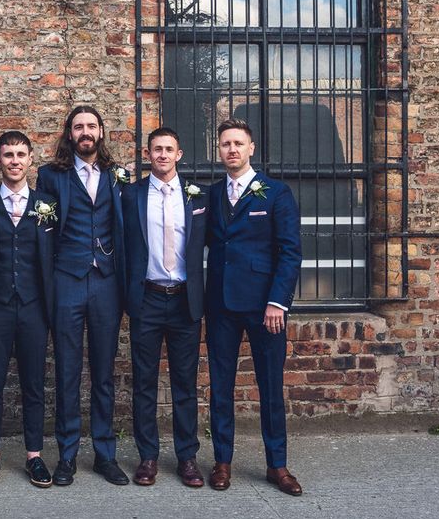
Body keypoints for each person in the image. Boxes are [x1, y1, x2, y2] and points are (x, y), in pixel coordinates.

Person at [205, 118, 303, 495]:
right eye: (225, 144)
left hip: (266, 308)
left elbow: (290, 252)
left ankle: (277, 465)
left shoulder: (275, 193)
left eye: (238, 144)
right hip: (221, 306)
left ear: (251, 149)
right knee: (220, 387)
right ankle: (222, 462)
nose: (231, 149)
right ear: (219, 150)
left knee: (270, 387)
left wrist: (278, 301)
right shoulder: (212, 195)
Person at [36, 105, 129, 486]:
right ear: (69, 133)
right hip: (67, 281)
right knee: (68, 371)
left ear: (101, 132)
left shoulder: (117, 176)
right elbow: (42, 235)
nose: (85, 132)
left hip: (106, 282)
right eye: (79, 127)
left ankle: (105, 454)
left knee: (104, 373)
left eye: (91, 126)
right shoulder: (49, 176)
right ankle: (67, 456)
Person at [122, 127, 208, 488]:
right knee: (144, 383)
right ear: (148, 153)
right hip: (149, 298)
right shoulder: (131, 195)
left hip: (185, 299)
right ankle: (148, 456)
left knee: (184, 384)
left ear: (179, 153)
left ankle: (187, 457)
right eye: (156, 149)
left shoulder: (198, 196)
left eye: (168, 149)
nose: (162, 155)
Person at [0, 131, 55, 490]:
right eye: (8, 155)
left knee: (34, 385)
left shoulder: (47, 203)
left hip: (35, 308)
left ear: (31, 159)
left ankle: (34, 456)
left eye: (21, 154)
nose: (15, 161)